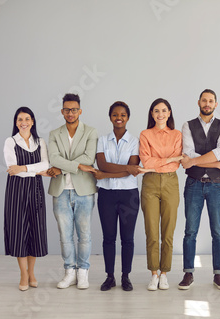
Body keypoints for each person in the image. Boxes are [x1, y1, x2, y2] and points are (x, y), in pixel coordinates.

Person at [179, 89, 220, 290]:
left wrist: (194, 161)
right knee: (190, 231)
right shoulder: (188, 125)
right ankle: (188, 273)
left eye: (211, 101)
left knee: (218, 231)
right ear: (198, 102)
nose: (207, 104)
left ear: (216, 104)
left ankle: (218, 274)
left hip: (217, 185)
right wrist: (217, 163)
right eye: (204, 100)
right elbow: (188, 152)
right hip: (193, 184)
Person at [47, 93, 98, 290]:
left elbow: (89, 158)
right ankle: (70, 271)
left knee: (84, 234)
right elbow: (54, 159)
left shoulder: (90, 132)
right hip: (60, 191)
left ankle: (83, 272)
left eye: (74, 109)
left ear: (80, 111)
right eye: (67, 110)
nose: (70, 113)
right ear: (62, 111)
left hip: (84, 190)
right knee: (65, 235)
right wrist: (63, 166)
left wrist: (63, 167)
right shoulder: (54, 134)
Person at [92, 101, 141, 292]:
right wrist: (126, 168)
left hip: (129, 195)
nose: (118, 117)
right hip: (107, 194)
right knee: (108, 238)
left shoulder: (135, 141)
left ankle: (126, 277)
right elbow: (103, 164)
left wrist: (106, 175)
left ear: (128, 118)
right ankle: (110, 277)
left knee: (127, 238)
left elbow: (132, 171)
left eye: (122, 114)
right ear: (110, 117)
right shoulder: (102, 140)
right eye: (114, 114)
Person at [3, 106, 49, 291]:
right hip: (16, 191)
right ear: (16, 122)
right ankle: (23, 274)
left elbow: (46, 164)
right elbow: (11, 168)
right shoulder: (10, 142)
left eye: (27, 119)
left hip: (36, 190)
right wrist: (36, 170)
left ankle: (32, 272)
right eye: (20, 119)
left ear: (32, 121)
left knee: (35, 231)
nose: (24, 122)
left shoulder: (40, 141)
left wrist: (23, 168)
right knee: (19, 230)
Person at [139, 98, 183, 291]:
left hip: (170, 183)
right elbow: (146, 162)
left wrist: (163, 160)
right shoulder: (145, 134)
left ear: (169, 113)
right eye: (156, 111)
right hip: (149, 183)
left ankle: (164, 273)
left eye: (164, 110)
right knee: (151, 230)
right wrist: (170, 158)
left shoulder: (177, 134)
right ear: (151, 114)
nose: (160, 114)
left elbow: (176, 164)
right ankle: (153, 273)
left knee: (168, 231)